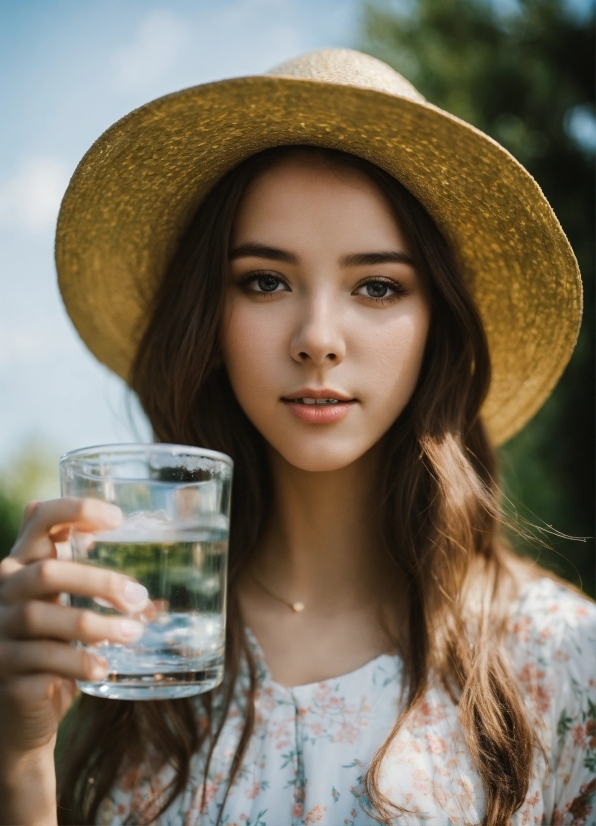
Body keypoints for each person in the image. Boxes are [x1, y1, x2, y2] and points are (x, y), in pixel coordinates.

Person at [0, 48, 594, 826]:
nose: (317, 338)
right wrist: (18, 763)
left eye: (377, 286)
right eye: (265, 281)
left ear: (435, 328)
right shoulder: (134, 643)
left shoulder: (562, 656)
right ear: (210, 320)